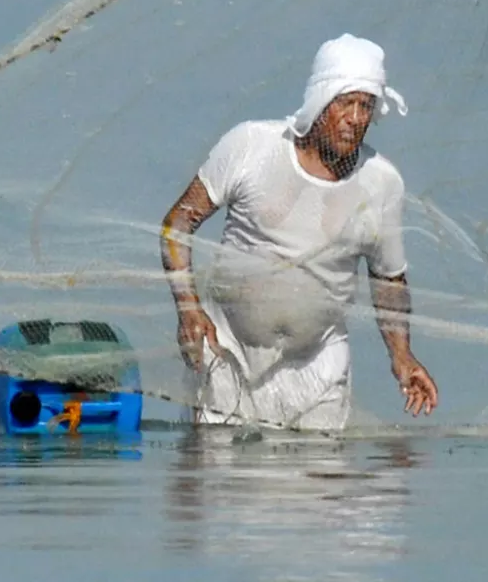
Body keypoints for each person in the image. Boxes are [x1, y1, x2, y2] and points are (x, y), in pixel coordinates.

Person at [158, 33, 438, 432]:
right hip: (227, 357)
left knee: (318, 489)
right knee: (217, 485)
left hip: (318, 371)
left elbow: (389, 278)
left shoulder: (381, 182)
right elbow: (178, 224)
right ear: (321, 100)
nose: (356, 119)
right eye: (346, 102)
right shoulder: (251, 146)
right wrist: (188, 309)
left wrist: (402, 356)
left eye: (366, 105)